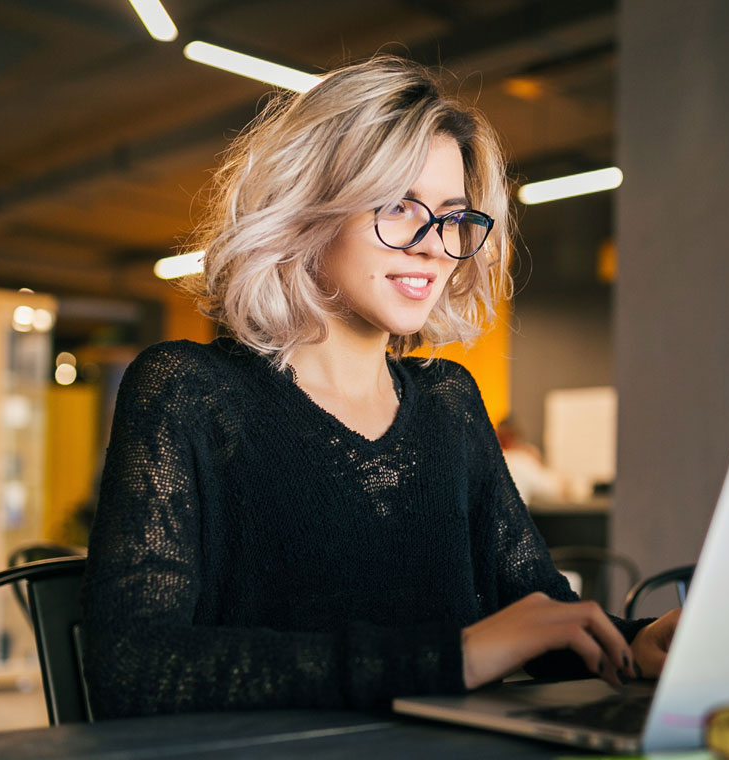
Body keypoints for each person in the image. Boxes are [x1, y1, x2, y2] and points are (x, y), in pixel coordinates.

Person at [80, 55, 678, 719]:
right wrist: (452, 657)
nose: (433, 245)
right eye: (397, 206)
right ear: (309, 210)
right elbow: (133, 669)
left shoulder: (450, 402)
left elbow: (535, 616)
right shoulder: (190, 391)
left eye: (454, 217)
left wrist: (637, 641)